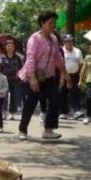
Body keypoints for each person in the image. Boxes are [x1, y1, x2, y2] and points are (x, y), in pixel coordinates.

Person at [18, 11, 70, 140]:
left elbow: (58, 57)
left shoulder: (54, 39)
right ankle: (22, 130)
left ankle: (48, 130)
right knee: (31, 103)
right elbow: (30, 58)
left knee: (56, 99)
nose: (53, 25)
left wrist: (65, 73)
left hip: (48, 77)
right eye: (50, 23)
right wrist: (32, 78)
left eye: (54, 23)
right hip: (33, 76)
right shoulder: (34, 39)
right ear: (42, 24)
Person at [60, 34, 84, 120]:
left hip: (75, 75)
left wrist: (79, 72)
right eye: (67, 41)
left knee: (75, 92)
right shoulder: (61, 51)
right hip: (63, 75)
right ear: (64, 42)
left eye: (71, 41)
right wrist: (63, 75)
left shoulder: (78, 51)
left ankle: (76, 111)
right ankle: (63, 112)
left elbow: (81, 63)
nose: (69, 43)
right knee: (63, 93)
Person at [0, 38, 23, 120]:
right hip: (4, 79)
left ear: (14, 47)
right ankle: (3, 112)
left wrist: (19, 72)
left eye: (11, 46)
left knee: (14, 96)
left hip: (15, 80)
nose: (10, 47)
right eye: (8, 46)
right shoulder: (1, 57)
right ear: (5, 47)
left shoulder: (18, 57)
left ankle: (12, 113)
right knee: (4, 96)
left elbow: (22, 67)